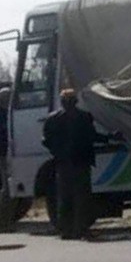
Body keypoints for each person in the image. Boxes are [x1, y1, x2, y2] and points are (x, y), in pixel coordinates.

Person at [42, 89, 104, 240]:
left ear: (62, 102)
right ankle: (81, 229)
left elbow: (45, 140)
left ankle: (66, 230)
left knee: (65, 197)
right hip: (81, 162)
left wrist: (57, 152)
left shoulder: (52, 119)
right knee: (82, 197)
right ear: (76, 101)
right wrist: (110, 137)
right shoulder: (84, 117)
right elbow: (93, 136)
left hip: (63, 163)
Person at [0, 87, 18, 232]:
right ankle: (1, 223)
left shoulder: (10, 115)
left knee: (12, 189)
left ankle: (7, 222)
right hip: (4, 155)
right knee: (7, 189)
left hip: (12, 153)